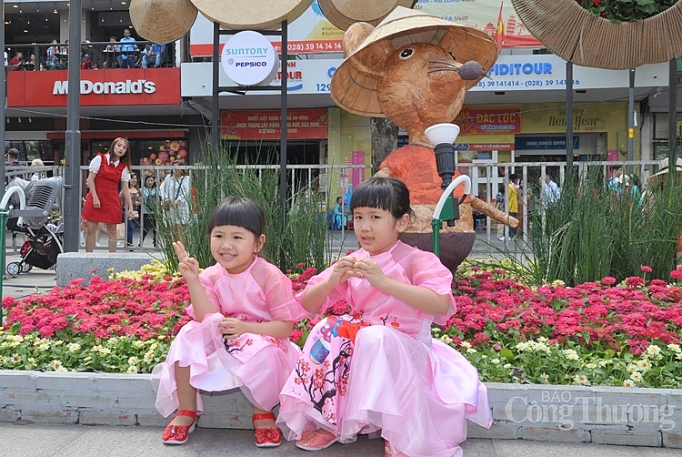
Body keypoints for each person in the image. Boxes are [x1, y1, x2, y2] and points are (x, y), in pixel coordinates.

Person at [277, 176, 492, 457]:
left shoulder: (417, 260)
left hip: (408, 347)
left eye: (375, 217)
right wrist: (332, 282)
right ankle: (330, 420)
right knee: (326, 328)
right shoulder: (355, 260)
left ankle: (401, 434)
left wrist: (385, 282)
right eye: (358, 217)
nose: (364, 227)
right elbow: (307, 302)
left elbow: (440, 304)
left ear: (401, 222)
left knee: (375, 337)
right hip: (368, 339)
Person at [151, 197, 305, 447]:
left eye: (237, 237)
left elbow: (285, 328)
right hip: (226, 339)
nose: (226, 245)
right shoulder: (211, 275)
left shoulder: (269, 276)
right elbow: (206, 318)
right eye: (219, 235)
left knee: (267, 351)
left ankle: (263, 412)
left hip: (264, 339)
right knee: (187, 335)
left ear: (258, 243)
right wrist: (193, 280)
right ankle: (186, 411)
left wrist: (247, 328)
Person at [81, 138, 135, 253]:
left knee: (112, 230)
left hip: (112, 199)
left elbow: (126, 189)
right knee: (91, 229)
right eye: (119, 146)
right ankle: (88, 258)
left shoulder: (123, 167)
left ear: (126, 152)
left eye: (124, 148)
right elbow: (90, 180)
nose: (121, 149)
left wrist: (130, 207)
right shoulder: (99, 159)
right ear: (113, 146)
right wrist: (95, 197)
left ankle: (112, 260)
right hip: (96, 197)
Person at [158, 161, 191, 241]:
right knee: (172, 229)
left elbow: (186, 192)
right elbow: (162, 189)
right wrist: (165, 198)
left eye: (177, 168)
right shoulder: (168, 178)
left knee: (181, 229)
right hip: (170, 206)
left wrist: (177, 201)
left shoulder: (186, 179)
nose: (175, 170)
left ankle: (182, 248)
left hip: (181, 207)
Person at [120, 173, 142, 249]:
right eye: (132, 178)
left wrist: (138, 203)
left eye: (135, 179)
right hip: (126, 211)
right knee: (130, 227)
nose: (134, 180)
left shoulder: (137, 190)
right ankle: (130, 243)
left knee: (132, 227)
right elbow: (120, 199)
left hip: (135, 212)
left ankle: (128, 242)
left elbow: (141, 200)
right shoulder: (125, 189)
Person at [140, 175, 159, 247]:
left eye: (151, 180)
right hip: (146, 211)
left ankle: (156, 242)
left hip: (155, 211)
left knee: (155, 228)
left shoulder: (157, 189)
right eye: (148, 180)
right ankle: (140, 242)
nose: (150, 182)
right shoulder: (142, 189)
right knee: (145, 228)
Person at [507, 173, 520, 239]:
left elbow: (507, 197)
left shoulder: (510, 186)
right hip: (514, 207)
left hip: (510, 207)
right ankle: (512, 235)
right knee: (512, 221)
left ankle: (511, 235)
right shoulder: (513, 187)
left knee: (510, 222)